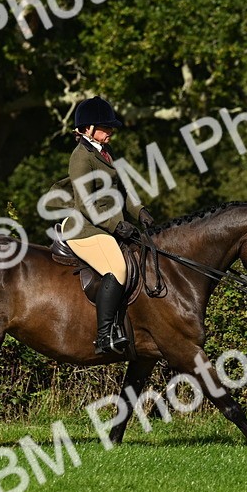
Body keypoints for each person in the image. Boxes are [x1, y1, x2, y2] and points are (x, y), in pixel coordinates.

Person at [60, 96, 155, 354]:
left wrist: (140, 211)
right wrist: (116, 225)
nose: (111, 131)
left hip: (106, 225)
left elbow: (123, 188)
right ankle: (104, 337)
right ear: (88, 128)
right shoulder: (80, 157)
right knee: (117, 268)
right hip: (85, 227)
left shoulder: (104, 153)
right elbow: (86, 204)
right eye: (106, 127)